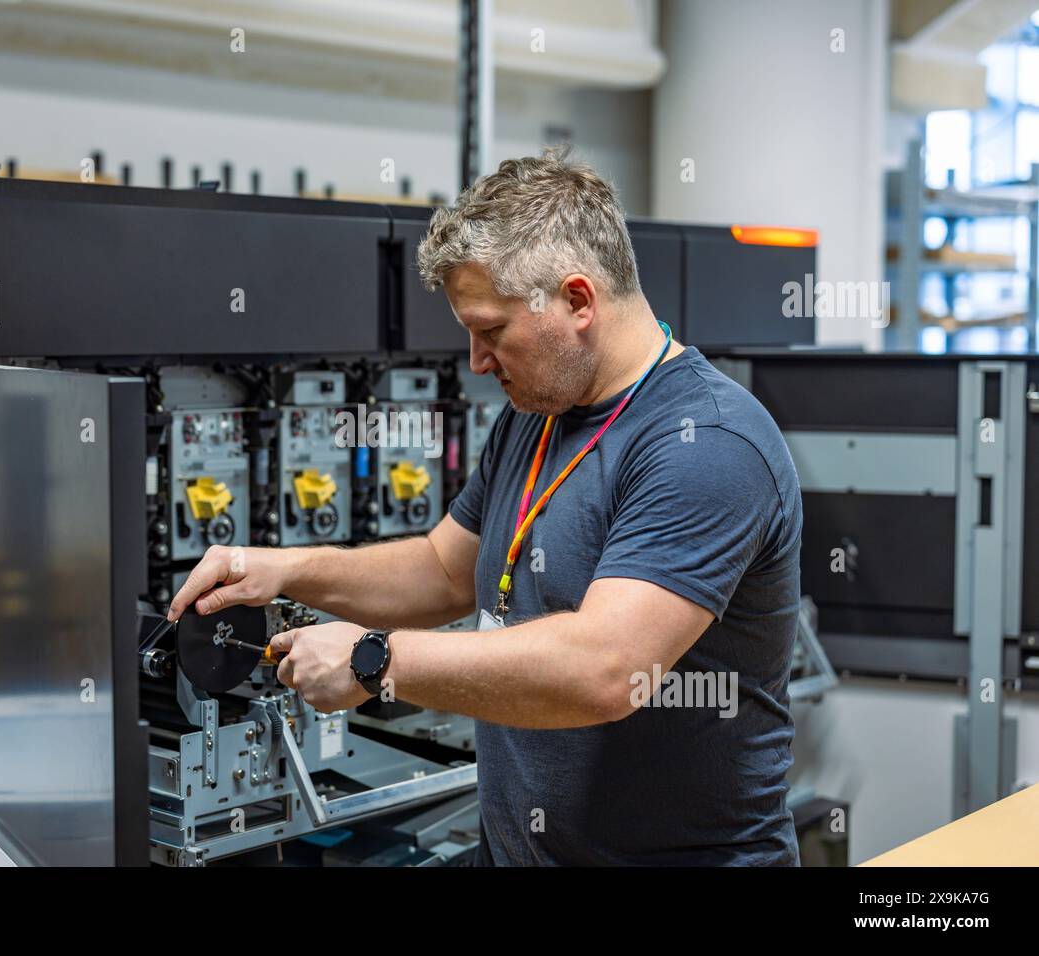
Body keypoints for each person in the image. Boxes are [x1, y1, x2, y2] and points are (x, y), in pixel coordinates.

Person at [169, 147, 803, 865]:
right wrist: (281, 568)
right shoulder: (535, 417)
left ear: (578, 300)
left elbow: (605, 670)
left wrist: (376, 661)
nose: (475, 361)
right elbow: (442, 570)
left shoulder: (703, 443)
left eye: (491, 330)